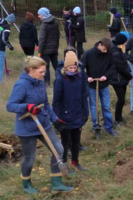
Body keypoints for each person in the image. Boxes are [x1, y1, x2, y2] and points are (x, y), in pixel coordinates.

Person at [6, 56, 73, 194]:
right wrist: (27, 107)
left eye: (44, 72)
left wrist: (55, 119)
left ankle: (56, 183)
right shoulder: (21, 85)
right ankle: (26, 184)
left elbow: (46, 104)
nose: (44, 75)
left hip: (43, 124)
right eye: (41, 72)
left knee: (58, 150)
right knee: (30, 158)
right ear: (31, 70)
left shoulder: (40, 82)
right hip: (27, 128)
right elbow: (10, 105)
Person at [53, 51, 88, 171]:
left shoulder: (79, 77)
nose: (73, 70)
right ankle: (63, 164)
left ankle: (75, 162)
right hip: (65, 116)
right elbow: (56, 101)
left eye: (75, 67)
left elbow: (84, 94)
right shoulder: (60, 79)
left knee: (76, 141)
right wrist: (57, 118)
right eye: (70, 67)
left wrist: (85, 111)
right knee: (65, 142)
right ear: (65, 67)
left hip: (78, 114)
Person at [80, 38, 119, 137]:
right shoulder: (89, 53)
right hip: (92, 85)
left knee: (106, 107)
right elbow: (80, 67)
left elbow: (112, 67)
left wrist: (106, 75)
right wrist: (87, 77)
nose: (106, 51)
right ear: (100, 45)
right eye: (104, 49)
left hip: (104, 84)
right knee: (94, 107)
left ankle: (109, 127)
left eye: (107, 50)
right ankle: (96, 126)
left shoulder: (109, 54)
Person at [110, 33, 133, 125]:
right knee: (121, 99)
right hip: (117, 79)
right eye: (125, 42)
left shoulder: (120, 51)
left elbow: (125, 64)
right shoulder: (115, 53)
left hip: (122, 79)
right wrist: (129, 76)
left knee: (122, 99)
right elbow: (120, 67)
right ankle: (117, 119)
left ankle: (119, 117)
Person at [37, 7, 60, 86]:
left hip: (45, 50)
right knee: (56, 65)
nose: (38, 16)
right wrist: (56, 47)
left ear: (43, 15)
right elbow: (58, 36)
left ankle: (47, 83)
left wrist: (39, 51)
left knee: (46, 67)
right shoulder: (55, 22)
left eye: (39, 15)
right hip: (54, 49)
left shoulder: (44, 24)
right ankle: (60, 80)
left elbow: (42, 39)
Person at [0, 13, 15, 84]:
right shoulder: (6, 27)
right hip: (0, 48)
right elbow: (4, 39)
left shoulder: (1, 22)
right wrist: (10, 46)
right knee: (0, 65)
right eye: (12, 23)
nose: (12, 24)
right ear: (10, 21)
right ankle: (1, 82)